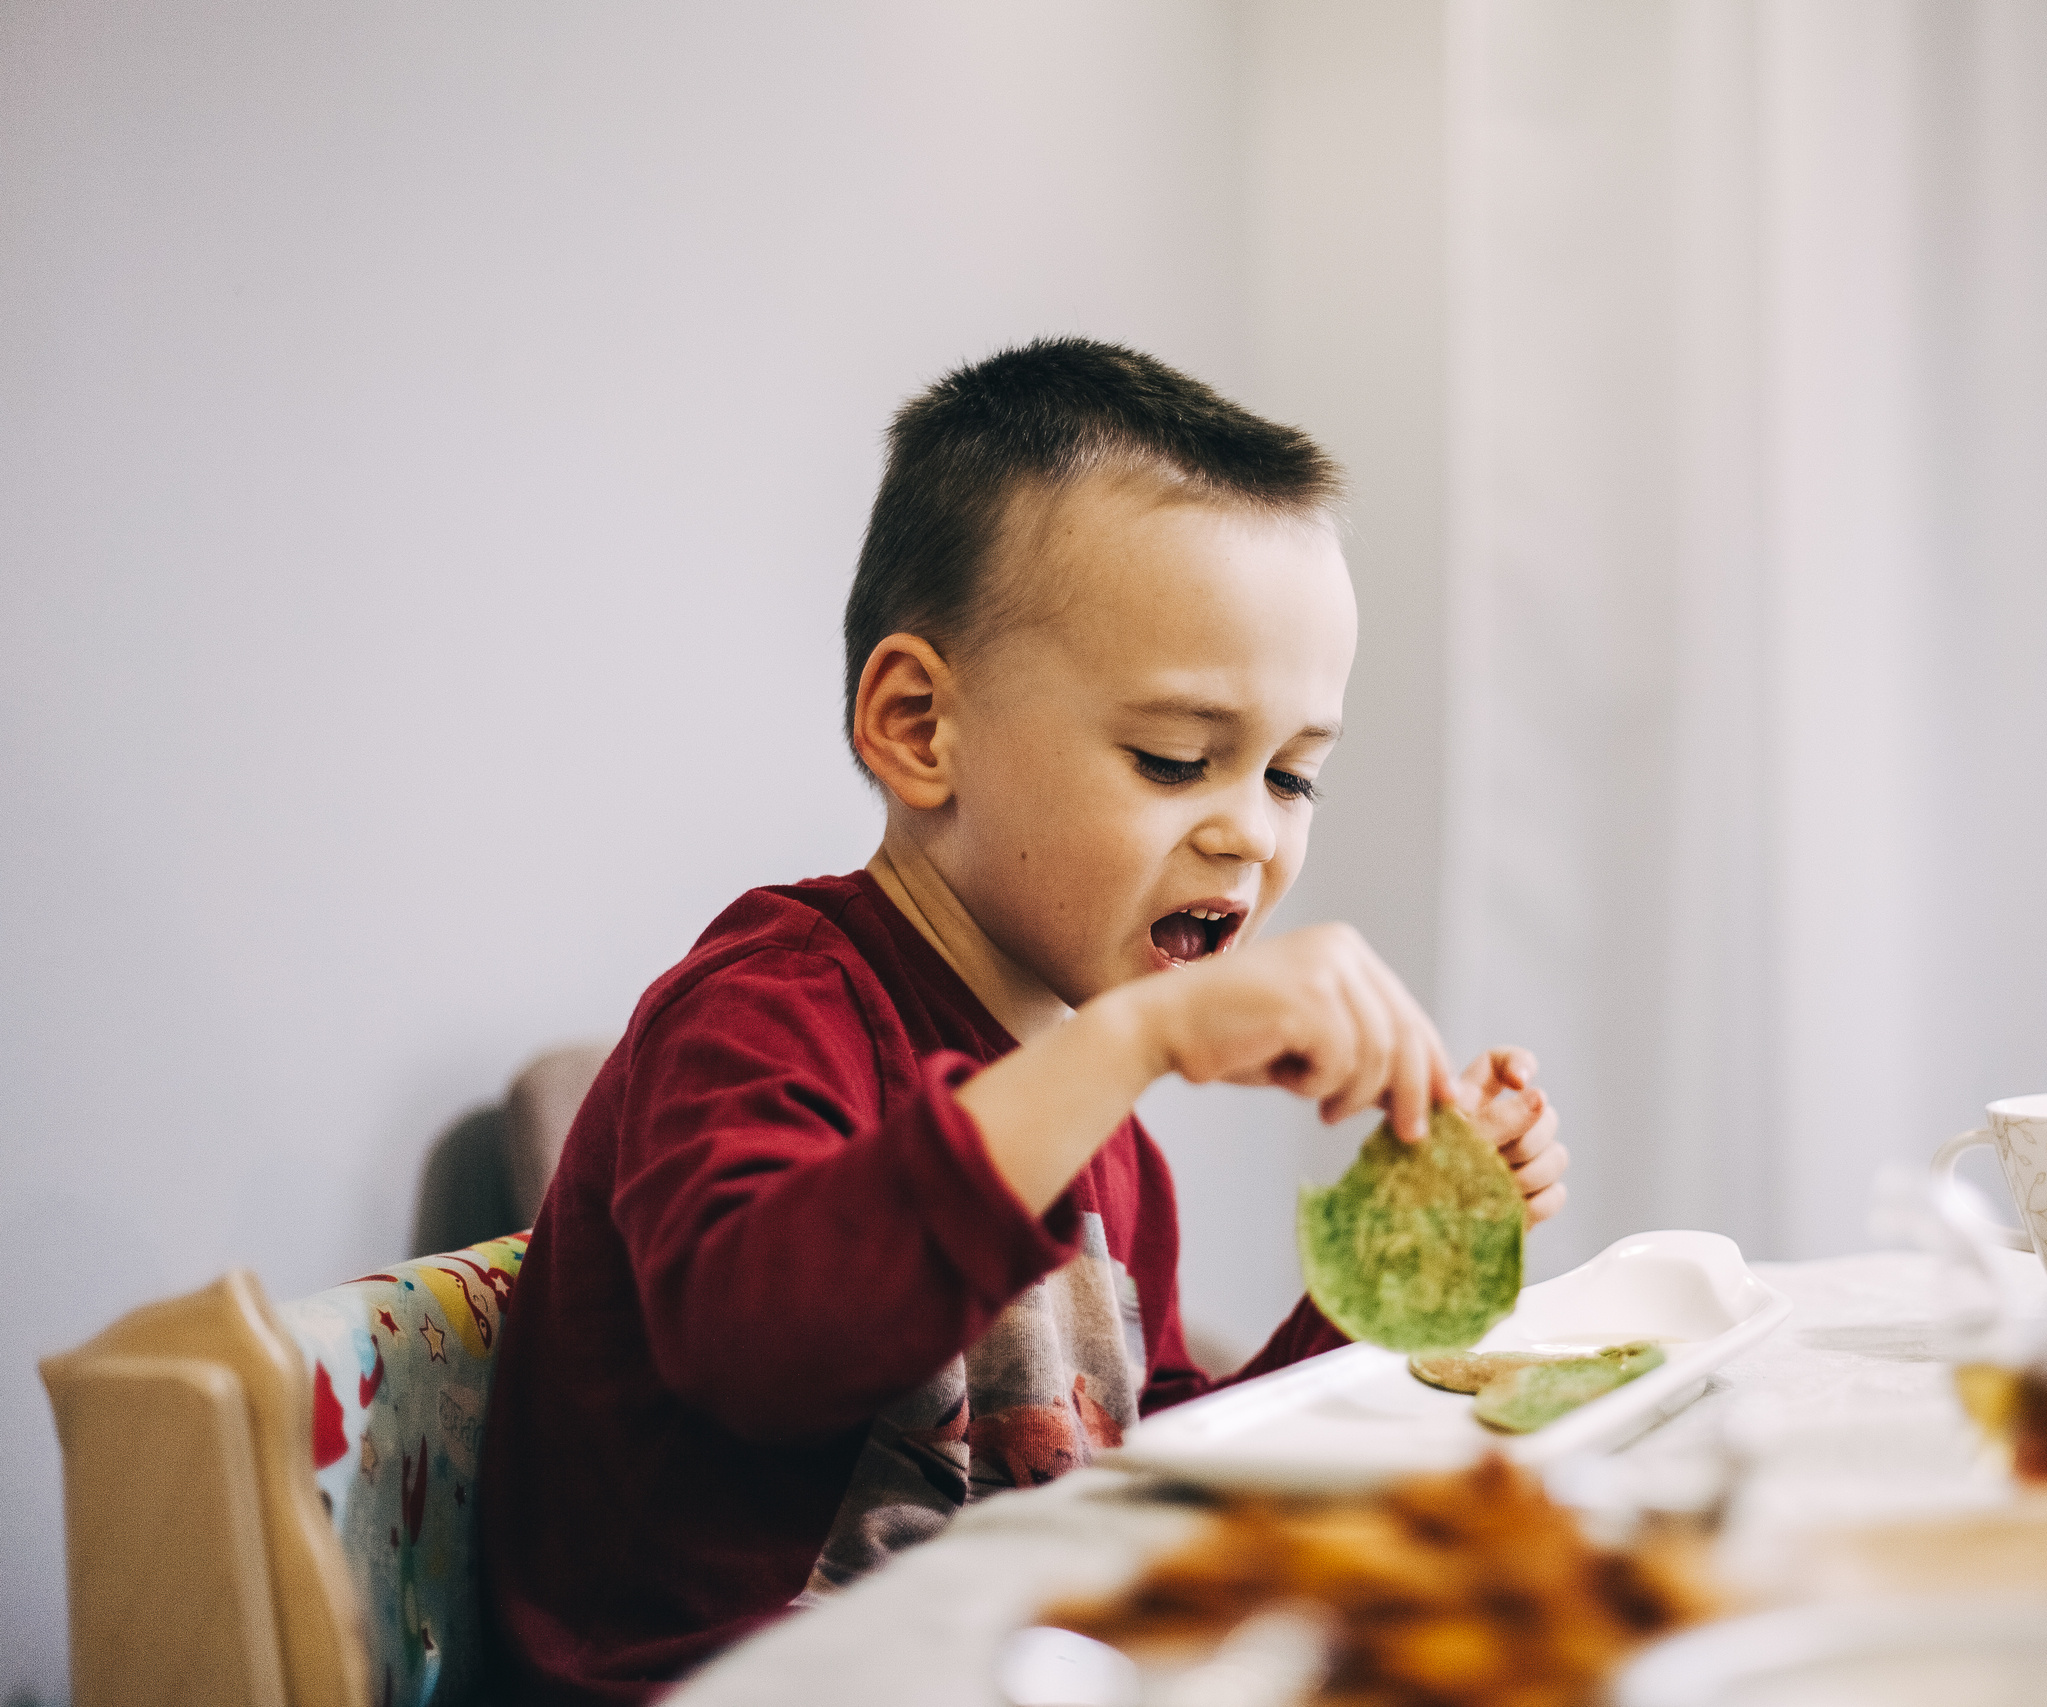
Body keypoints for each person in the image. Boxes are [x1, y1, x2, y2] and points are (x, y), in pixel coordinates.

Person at [477, 338, 1572, 1703]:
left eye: (1296, 779)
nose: (1249, 832)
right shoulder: (765, 1009)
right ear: (919, 725)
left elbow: (1151, 1489)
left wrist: (1383, 1291)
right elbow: (753, 1349)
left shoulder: (1108, 1145)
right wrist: (1137, 1045)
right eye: (1177, 759)